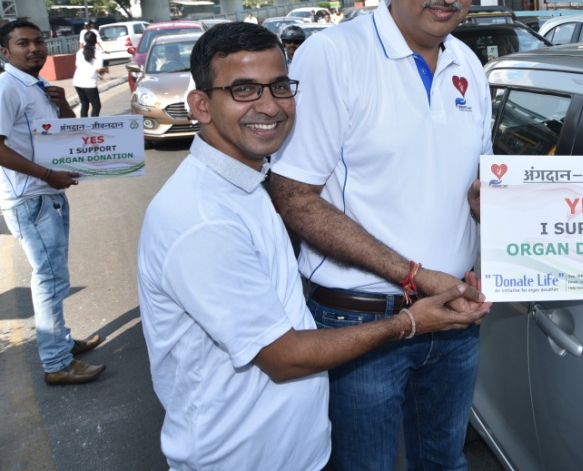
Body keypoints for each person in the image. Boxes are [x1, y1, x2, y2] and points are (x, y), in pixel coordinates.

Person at [137, 23, 489, 471]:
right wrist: (409, 322)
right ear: (201, 105)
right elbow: (284, 357)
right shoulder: (203, 218)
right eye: (244, 89)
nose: (269, 105)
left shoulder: (244, 185)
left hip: (292, 453)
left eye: (280, 86)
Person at [267, 0, 492, 471]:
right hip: (360, 323)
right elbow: (293, 196)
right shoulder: (333, 55)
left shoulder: (469, 64)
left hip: (454, 316)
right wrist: (415, 276)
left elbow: (473, 185)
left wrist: (492, 207)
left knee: (445, 463)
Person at [0, 19, 105, 385]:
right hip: (30, 198)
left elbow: (66, 135)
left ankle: (60, 341)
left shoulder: (39, 86)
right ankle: (57, 363)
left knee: (57, 276)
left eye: (38, 41)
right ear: (5, 52)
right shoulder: (7, 88)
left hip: (49, 195)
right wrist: (47, 175)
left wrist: (63, 107)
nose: (34, 48)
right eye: (23, 43)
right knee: (48, 278)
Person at [72, 31, 108, 117]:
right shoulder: (97, 52)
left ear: (85, 40)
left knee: (85, 104)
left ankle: (84, 124)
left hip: (77, 81)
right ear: (95, 41)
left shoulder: (79, 52)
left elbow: (77, 65)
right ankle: (93, 124)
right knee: (96, 106)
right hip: (89, 83)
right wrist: (106, 70)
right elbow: (99, 69)